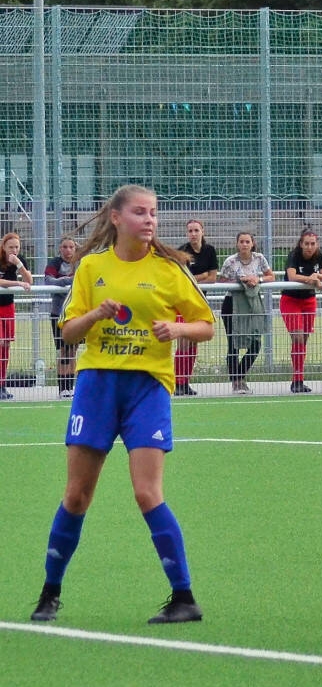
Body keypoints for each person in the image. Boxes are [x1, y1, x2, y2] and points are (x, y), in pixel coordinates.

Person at [29, 184, 214, 625]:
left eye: (153, 213)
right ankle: (50, 593)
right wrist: (95, 315)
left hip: (147, 389)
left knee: (147, 492)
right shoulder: (92, 267)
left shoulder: (169, 269)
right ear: (116, 218)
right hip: (97, 386)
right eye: (140, 212)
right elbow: (68, 332)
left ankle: (184, 597)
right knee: (77, 495)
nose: (149, 220)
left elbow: (206, 325)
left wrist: (177, 329)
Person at [219, 232, 274, 394]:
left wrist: (258, 279)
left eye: (247, 241)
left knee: (256, 343)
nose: (244, 244)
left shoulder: (259, 258)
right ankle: (236, 382)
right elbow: (221, 281)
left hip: (251, 304)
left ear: (252, 243)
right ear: (237, 244)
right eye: (241, 241)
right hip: (232, 304)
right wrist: (240, 280)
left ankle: (241, 374)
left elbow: (271, 276)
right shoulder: (230, 261)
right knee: (233, 343)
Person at [281, 227, 322, 393]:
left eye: (312, 244)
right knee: (298, 337)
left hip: (309, 301)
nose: (309, 247)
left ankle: (298, 379)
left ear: (317, 244)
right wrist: (311, 279)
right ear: (301, 243)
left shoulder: (319, 256)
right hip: (291, 300)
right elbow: (292, 276)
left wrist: (317, 277)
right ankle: (297, 380)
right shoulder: (294, 255)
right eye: (306, 243)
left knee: (303, 340)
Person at [174, 219, 218, 396]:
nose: (193, 234)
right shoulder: (182, 251)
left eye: (196, 230)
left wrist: (198, 278)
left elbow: (212, 278)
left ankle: (186, 382)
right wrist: (202, 276)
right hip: (183, 303)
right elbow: (182, 280)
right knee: (183, 343)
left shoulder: (210, 250)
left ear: (202, 232)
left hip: (199, 303)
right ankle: (178, 382)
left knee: (193, 343)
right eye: (190, 231)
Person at [44, 237, 79, 398]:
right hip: (58, 313)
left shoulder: (80, 262)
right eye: (64, 247)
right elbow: (48, 280)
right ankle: (62, 387)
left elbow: (83, 280)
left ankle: (71, 386)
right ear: (60, 248)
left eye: (71, 247)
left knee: (73, 350)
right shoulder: (55, 263)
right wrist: (67, 281)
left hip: (76, 312)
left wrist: (67, 282)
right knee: (63, 350)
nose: (68, 250)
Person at [0, 231, 33, 401]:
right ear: (3, 247)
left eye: (17, 247)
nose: (14, 250)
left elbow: (29, 280)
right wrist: (17, 283)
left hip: (8, 306)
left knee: (6, 346)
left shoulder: (19, 260)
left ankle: (2, 384)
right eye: (11, 247)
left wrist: (19, 264)